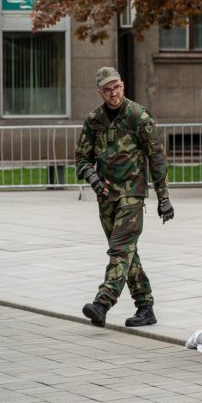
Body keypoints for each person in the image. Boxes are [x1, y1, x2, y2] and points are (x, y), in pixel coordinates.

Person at [75, 67, 174, 328]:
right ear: (100, 92)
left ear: (123, 85)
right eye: (107, 90)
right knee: (127, 253)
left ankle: (102, 303)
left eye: (116, 87)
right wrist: (93, 179)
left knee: (120, 250)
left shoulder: (138, 116)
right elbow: (82, 158)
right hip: (106, 197)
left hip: (132, 194)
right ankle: (145, 307)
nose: (113, 93)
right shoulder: (94, 119)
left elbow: (156, 158)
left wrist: (163, 198)